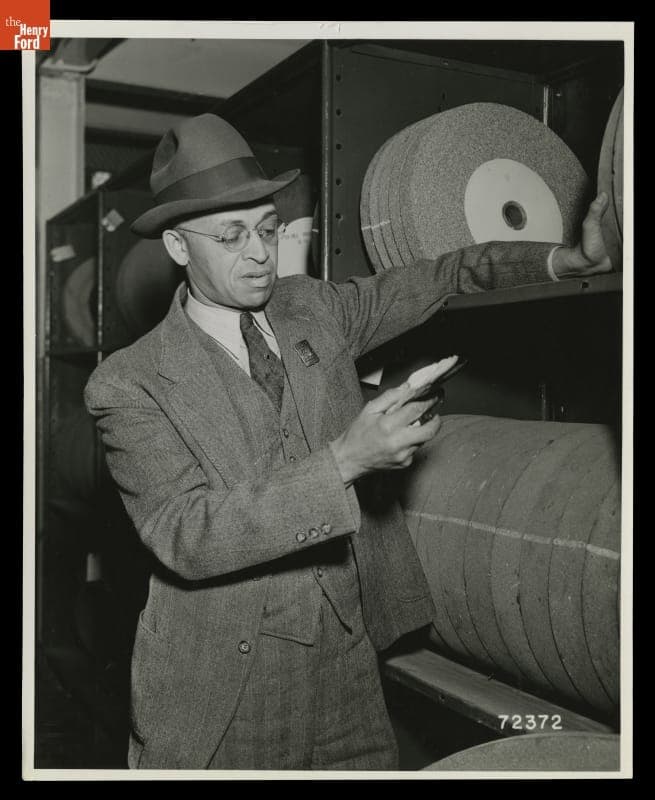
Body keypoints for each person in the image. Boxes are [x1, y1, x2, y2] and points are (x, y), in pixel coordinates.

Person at [84, 113, 612, 771]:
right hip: (222, 684)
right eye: (231, 235)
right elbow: (186, 535)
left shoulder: (315, 308)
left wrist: (563, 261)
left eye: (268, 230)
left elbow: (443, 277)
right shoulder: (129, 383)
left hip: (349, 666)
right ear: (178, 246)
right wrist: (346, 460)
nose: (259, 253)